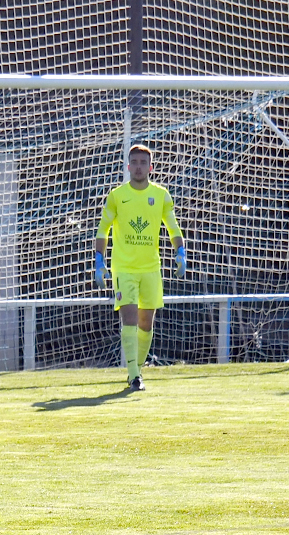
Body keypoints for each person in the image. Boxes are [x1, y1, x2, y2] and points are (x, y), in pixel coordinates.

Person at [94, 143, 186, 391]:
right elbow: (103, 229)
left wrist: (180, 252)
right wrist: (99, 260)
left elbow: (173, 227)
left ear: (150, 167)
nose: (138, 167)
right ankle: (134, 375)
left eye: (143, 163)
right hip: (124, 267)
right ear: (128, 166)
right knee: (130, 318)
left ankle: (137, 369)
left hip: (150, 268)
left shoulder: (161, 195)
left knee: (146, 323)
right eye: (134, 162)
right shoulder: (117, 196)